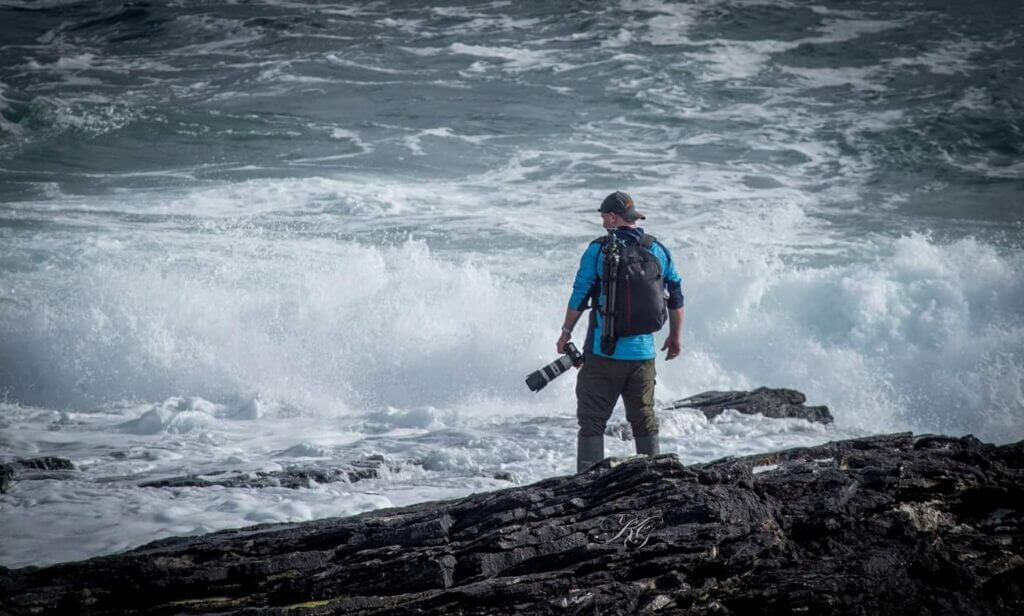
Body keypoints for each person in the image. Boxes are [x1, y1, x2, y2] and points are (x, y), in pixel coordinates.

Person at [556, 191, 684, 472]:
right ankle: (654, 482)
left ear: (614, 218)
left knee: (592, 421)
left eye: (604, 217)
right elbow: (675, 295)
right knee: (644, 419)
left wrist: (566, 332)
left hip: (604, 353)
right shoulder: (658, 249)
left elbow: (580, 294)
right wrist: (675, 337)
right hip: (642, 356)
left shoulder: (598, 250)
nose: (603, 222)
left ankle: (587, 484)